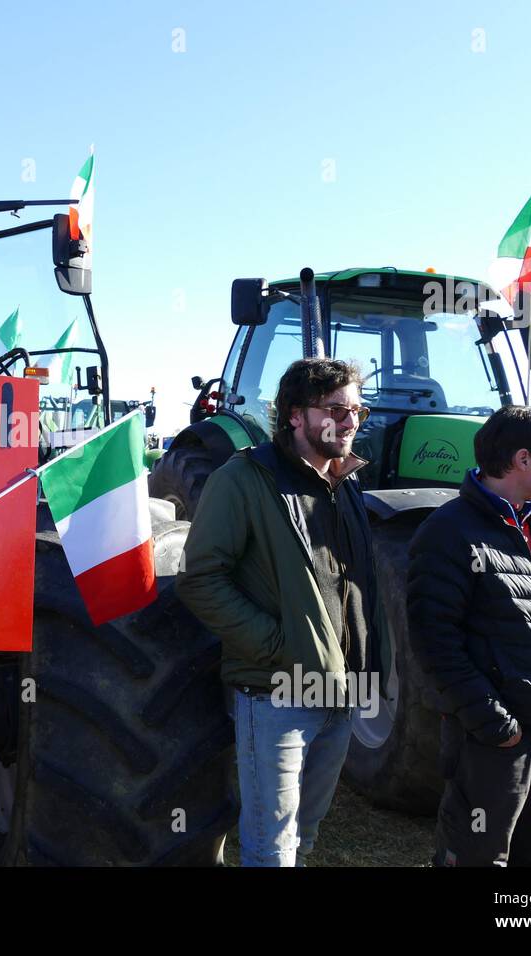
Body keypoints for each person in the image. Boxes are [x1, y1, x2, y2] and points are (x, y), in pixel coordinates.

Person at [178, 358, 380, 866]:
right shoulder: (244, 479)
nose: (352, 420)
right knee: (271, 849)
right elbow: (201, 578)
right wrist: (277, 647)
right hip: (277, 693)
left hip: (341, 693)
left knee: (301, 839)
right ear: (295, 415)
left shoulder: (345, 482)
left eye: (358, 408)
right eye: (336, 409)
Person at [407, 404, 531, 866]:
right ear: (521, 459)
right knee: (477, 855)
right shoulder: (448, 532)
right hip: (492, 741)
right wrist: (493, 722)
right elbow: (435, 641)